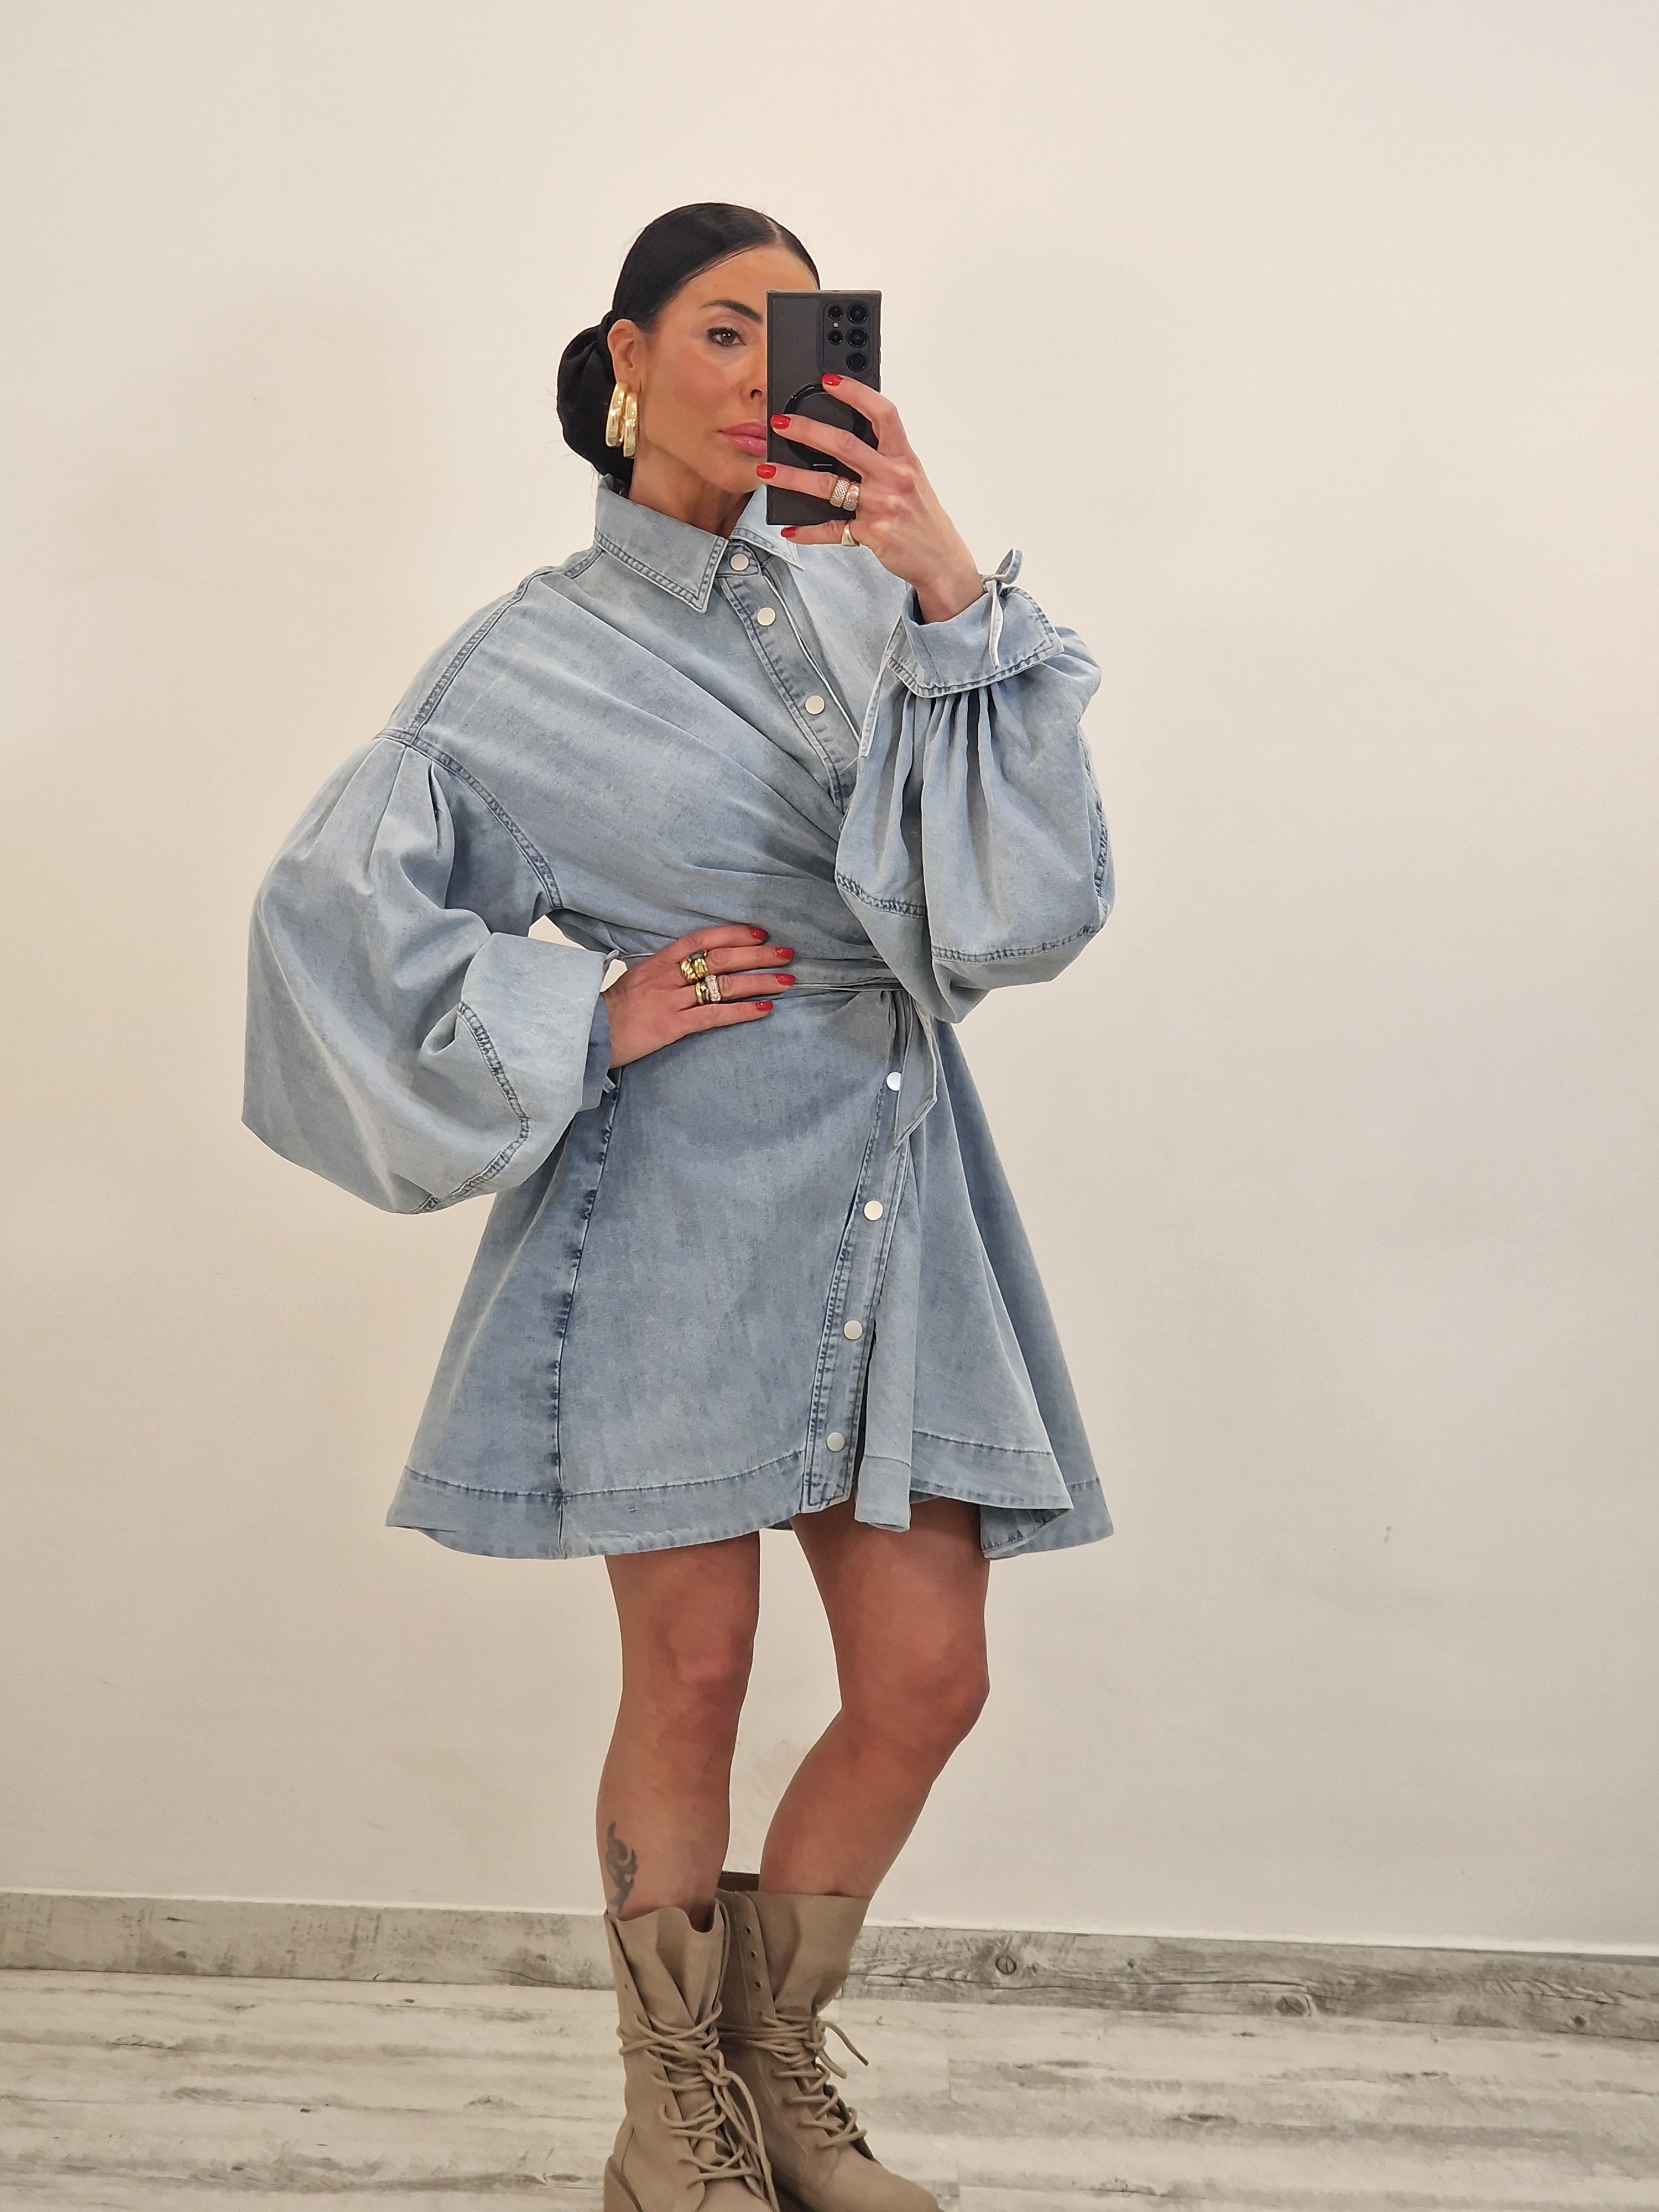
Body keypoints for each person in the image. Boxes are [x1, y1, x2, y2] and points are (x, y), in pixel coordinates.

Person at [242, 202, 1115, 2212]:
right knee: (697, 1669)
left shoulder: (884, 607)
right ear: (626, 357)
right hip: (671, 1205)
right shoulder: (521, 662)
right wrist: (587, 1008)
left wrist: (948, 583)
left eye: (801, 336)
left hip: (895, 1182)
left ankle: (772, 2073)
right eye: (725, 330)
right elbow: (324, 926)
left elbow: (1022, 915)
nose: (764, 373)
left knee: (927, 1678)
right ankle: (673, 2122)